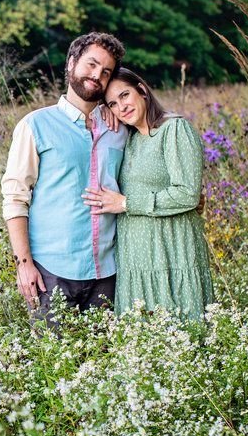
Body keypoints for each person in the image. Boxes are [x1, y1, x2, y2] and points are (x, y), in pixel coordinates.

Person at [1, 32, 127, 330]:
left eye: (106, 72)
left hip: (107, 271)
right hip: (52, 273)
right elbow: (15, 197)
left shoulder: (119, 128)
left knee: (104, 354)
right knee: (52, 355)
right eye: (91, 64)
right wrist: (24, 265)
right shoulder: (36, 125)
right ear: (71, 63)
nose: (97, 75)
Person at [82, 67, 214, 320]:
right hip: (135, 259)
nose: (121, 107)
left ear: (142, 90)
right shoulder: (128, 138)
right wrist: (100, 110)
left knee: (180, 328)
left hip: (171, 252)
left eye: (125, 95)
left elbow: (187, 194)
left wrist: (126, 203)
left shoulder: (174, 129)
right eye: (113, 104)